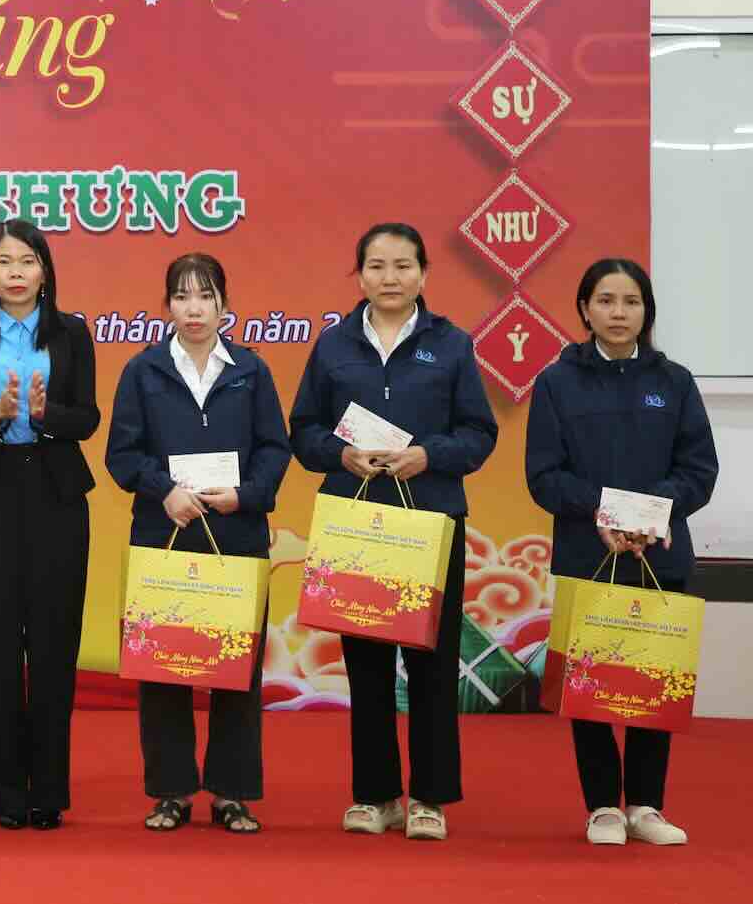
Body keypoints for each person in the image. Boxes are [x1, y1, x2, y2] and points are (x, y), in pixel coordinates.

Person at [289, 222, 497, 842]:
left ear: (425, 274)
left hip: (430, 524)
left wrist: (428, 456)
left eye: (403, 265)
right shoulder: (332, 346)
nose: (390, 277)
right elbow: (302, 430)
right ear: (358, 275)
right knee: (368, 665)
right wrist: (338, 454)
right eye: (376, 266)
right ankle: (375, 795)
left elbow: (480, 434)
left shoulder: (452, 345)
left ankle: (430, 797)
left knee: (431, 664)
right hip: (356, 521)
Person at [525, 258, 718, 847]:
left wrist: (651, 511)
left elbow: (699, 469)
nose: (618, 312)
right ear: (584, 309)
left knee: (650, 684)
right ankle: (604, 806)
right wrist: (605, 514)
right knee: (592, 687)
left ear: (646, 311)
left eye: (630, 302)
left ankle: (649, 806)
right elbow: (544, 476)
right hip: (590, 552)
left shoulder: (674, 382)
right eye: (605, 300)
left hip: (659, 556)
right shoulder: (557, 382)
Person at [105, 252, 291, 835]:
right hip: (167, 536)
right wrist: (163, 491)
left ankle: (232, 792)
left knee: (236, 671)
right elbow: (123, 455)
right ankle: (172, 792)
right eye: (182, 297)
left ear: (224, 306)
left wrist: (248, 494)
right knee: (164, 670)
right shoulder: (143, 371)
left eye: (205, 296)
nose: (194, 308)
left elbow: (274, 449)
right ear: (167, 306)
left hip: (236, 536)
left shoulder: (251, 371)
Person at [0, 219, 99, 830]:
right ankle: (6, 794)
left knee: (56, 646)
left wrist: (44, 414)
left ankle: (48, 794)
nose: (15, 273)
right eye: (3, 262)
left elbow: (86, 418)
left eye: (26, 262)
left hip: (57, 494)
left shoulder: (71, 334)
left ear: (45, 271)